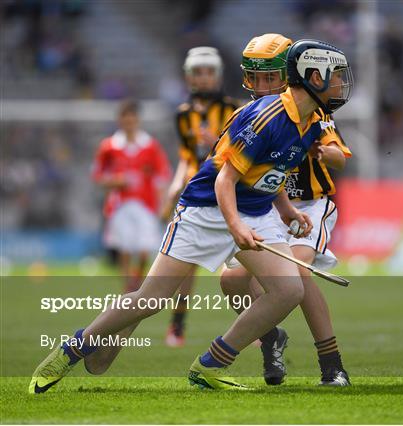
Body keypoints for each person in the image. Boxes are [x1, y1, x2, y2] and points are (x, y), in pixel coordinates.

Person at [29, 39, 354, 393]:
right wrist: (234, 226)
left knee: (288, 289)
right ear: (313, 77)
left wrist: (287, 209)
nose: (340, 84)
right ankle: (72, 349)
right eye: (335, 76)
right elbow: (225, 179)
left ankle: (211, 365)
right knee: (151, 300)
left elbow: (269, 169)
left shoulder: (312, 119)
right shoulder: (266, 117)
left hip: (256, 210)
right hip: (206, 210)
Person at [220, 33, 352, 386]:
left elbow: (338, 155)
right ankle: (270, 339)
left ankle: (332, 363)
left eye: (270, 77)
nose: (262, 86)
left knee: (298, 275)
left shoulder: (313, 111)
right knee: (230, 281)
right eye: (255, 77)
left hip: (309, 204)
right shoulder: (250, 115)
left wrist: (323, 152)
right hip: (266, 208)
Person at [162, 46, 240, 347]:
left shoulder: (234, 109)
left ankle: (255, 324)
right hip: (197, 194)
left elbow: (242, 155)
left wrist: (217, 143)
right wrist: (173, 189)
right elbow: (186, 158)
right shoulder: (182, 116)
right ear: (188, 77)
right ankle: (177, 325)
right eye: (198, 72)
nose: (204, 78)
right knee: (185, 264)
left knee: (240, 263)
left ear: (218, 75)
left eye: (209, 72)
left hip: (230, 192)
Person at [92, 100, 171, 293]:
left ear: (137, 119)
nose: (129, 122)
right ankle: (128, 288)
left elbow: (163, 174)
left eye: (132, 118)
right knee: (124, 248)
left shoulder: (150, 146)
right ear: (120, 120)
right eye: (125, 118)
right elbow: (97, 175)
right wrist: (114, 182)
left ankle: (137, 279)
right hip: (120, 204)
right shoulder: (109, 146)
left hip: (146, 203)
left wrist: (163, 200)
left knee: (145, 247)